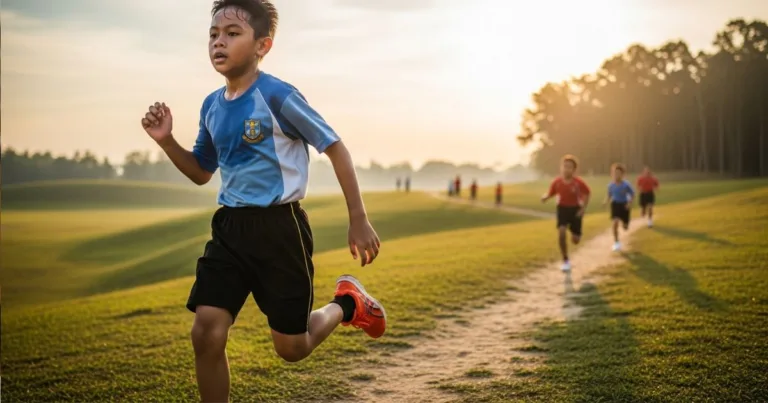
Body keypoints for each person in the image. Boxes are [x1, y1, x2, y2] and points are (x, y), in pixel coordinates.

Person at [139, 2, 386, 401]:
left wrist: (358, 218)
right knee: (206, 333)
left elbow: (336, 149)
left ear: (262, 45)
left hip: (280, 230)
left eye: (232, 33)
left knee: (292, 348)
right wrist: (167, 141)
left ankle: (347, 303)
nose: (219, 41)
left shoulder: (277, 96)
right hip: (230, 230)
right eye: (213, 34)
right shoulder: (211, 106)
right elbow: (202, 171)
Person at [541, 155, 591, 272]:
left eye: (569, 167)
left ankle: (575, 233)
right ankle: (565, 260)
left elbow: (587, 193)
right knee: (561, 232)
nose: (566, 169)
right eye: (564, 166)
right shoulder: (557, 182)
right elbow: (551, 193)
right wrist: (545, 197)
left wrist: (583, 209)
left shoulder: (578, 183)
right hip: (562, 209)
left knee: (575, 240)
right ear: (561, 167)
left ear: (574, 170)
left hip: (575, 210)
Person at [603, 163, 635, 251]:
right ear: (612, 174)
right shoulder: (611, 185)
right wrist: (606, 202)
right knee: (615, 223)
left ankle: (625, 222)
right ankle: (616, 242)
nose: (616, 175)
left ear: (622, 174)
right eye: (614, 173)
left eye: (618, 173)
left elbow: (632, 194)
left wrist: (629, 203)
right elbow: (609, 195)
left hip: (624, 205)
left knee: (625, 227)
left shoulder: (626, 184)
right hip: (615, 204)